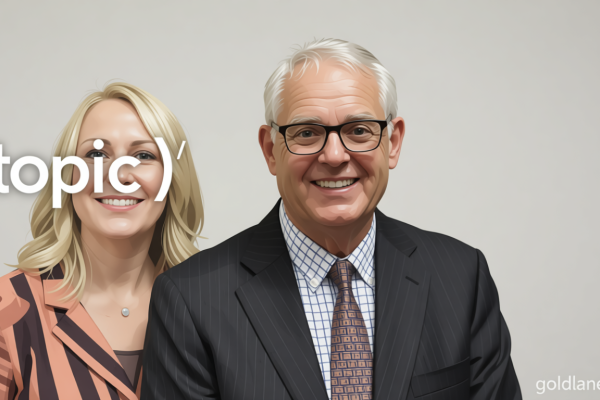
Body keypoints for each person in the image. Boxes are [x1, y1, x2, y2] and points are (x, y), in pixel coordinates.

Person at [142, 39, 521, 400]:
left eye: (359, 131)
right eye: (307, 133)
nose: (335, 155)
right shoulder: (191, 299)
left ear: (393, 142)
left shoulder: (462, 277)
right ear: (271, 150)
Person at [0, 82, 203, 400]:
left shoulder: (210, 307)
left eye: (143, 155)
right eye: (96, 154)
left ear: (173, 178)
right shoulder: (8, 307)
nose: (119, 175)